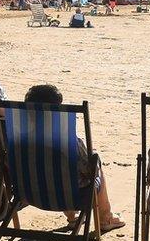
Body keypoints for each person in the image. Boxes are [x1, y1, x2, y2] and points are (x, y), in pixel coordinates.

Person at [23, 84, 126, 233]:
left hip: (29, 193)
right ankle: (105, 218)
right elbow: (88, 170)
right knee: (94, 162)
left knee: (59, 173)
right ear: (57, 111)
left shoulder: (18, 138)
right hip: (70, 196)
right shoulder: (67, 140)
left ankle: (73, 218)